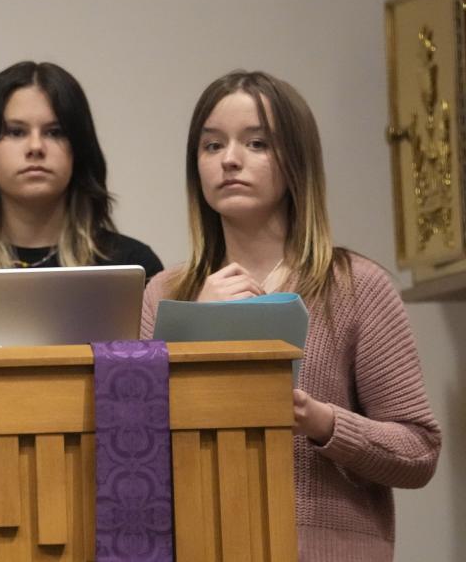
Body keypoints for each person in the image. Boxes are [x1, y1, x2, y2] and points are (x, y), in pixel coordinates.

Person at [140, 70, 441, 560]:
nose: (230, 160)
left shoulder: (356, 285)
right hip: (200, 542)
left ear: (296, 160)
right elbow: (134, 445)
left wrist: (319, 420)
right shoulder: (167, 293)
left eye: (257, 143)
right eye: (212, 146)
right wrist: (193, 328)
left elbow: (419, 452)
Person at [0, 61, 162, 277]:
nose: (36, 147)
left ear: (79, 149)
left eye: (54, 132)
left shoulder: (129, 267)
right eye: (16, 132)